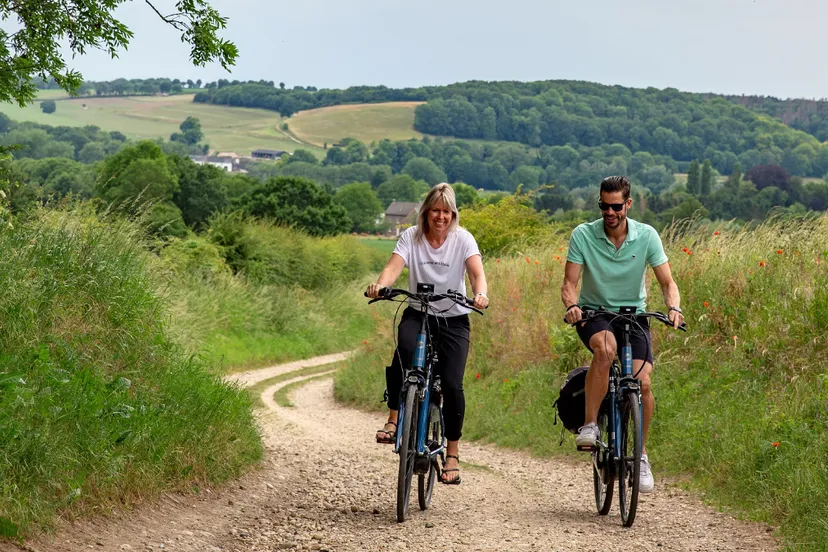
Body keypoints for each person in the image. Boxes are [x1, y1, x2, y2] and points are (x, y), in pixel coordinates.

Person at [561, 175, 684, 494]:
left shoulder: (647, 236)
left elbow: (667, 283)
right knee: (605, 350)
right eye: (604, 206)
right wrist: (573, 305)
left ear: (628, 204)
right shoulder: (583, 235)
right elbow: (569, 284)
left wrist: (674, 308)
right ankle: (590, 425)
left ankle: (641, 456)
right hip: (594, 314)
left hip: (634, 316)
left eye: (616, 206)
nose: (609, 212)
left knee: (643, 383)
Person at [366, 183, 488, 485]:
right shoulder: (411, 236)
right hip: (418, 312)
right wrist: (381, 286)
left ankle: (452, 454)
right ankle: (394, 420)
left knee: (451, 384)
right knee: (403, 354)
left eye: (447, 211)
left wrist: (481, 293)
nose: (441, 217)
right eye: (436, 210)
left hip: (454, 319)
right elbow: (393, 268)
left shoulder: (463, 239)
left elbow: (476, 273)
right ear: (426, 211)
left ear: (453, 214)